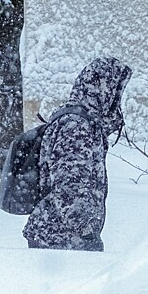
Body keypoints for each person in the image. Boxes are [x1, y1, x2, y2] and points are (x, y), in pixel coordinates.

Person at [23, 57, 132, 251]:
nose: (117, 99)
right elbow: (69, 186)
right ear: (103, 89)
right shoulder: (76, 126)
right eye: (115, 91)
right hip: (60, 240)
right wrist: (86, 233)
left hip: (60, 236)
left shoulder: (82, 122)